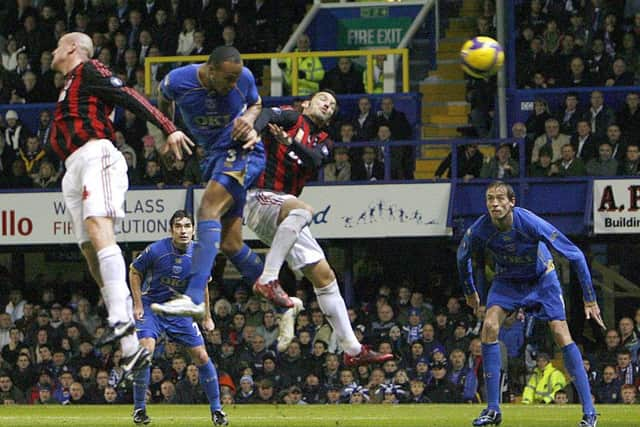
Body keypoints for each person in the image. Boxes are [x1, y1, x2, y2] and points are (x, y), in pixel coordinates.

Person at [49, 33, 191, 375]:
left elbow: (128, 95)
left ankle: (120, 316)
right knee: (88, 248)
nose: (53, 51)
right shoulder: (69, 84)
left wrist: (168, 127)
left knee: (99, 228)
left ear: (71, 48)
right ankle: (129, 344)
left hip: (96, 153)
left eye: (58, 45)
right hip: (72, 166)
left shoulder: (89, 69)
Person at [244, 90, 394, 367]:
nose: (328, 104)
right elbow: (264, 113)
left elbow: (314, 159)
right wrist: (254, 131)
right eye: (323, 99)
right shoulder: (291, 116)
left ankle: (352, 348)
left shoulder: (325, 141)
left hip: (283, 211)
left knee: (325, 277)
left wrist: (289, 143)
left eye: (333, 104)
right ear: (306, 103)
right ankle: (268, 278)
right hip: (259, 197)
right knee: (304, 211)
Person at [152, 46, 291, 318]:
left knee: (207, 209)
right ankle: (280, 301)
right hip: (212, 157)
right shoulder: (179, 81)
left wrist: (250, 120)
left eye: (236, 78)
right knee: (230, 243)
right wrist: (167, 133)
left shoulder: (244, 78)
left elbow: (256, 103)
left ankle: (193, 296)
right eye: (228, 78)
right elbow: (162, 97)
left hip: (243, 152)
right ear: (210, 70)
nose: (234, 84)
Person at [457, 181, 604, 427]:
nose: (495, 203)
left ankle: (589, 412)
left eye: (500, 198)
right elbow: (462, 257)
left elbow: (575, 254)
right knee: (489, 326)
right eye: (490, 199)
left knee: (560, 332)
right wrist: (470, 291)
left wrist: (589, 298)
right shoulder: (481, 228)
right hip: (507, 281)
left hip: (541, 279)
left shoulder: (529, 222)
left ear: (512, 202)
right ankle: (493, 410)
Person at [129, 210, 226, 425]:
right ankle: (139, 410)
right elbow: (134, 271)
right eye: (178, 226)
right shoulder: (156, 250)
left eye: (187, 226)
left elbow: (203, 287)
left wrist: (207, 316)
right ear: (171, 230)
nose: (183, 231)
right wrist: (137, 304)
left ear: (193, 230)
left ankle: (217, 411)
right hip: (152, 306)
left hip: (179, 310)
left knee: (201, 356)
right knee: (146, 350)